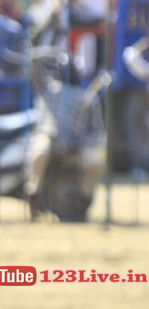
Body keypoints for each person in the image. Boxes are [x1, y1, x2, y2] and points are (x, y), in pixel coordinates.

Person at [24, 51, 106, 219]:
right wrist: (55, 53)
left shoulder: (88, 98)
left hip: (75, 148)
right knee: (40, 150)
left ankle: (80, 201)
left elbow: (98, 134)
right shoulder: (47, 88)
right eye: (65, 68)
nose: (69, 72)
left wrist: (80, 143)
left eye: (72, 68)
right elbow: (31, 61)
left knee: (97, 163)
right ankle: (34, 196)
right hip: (47, 138)